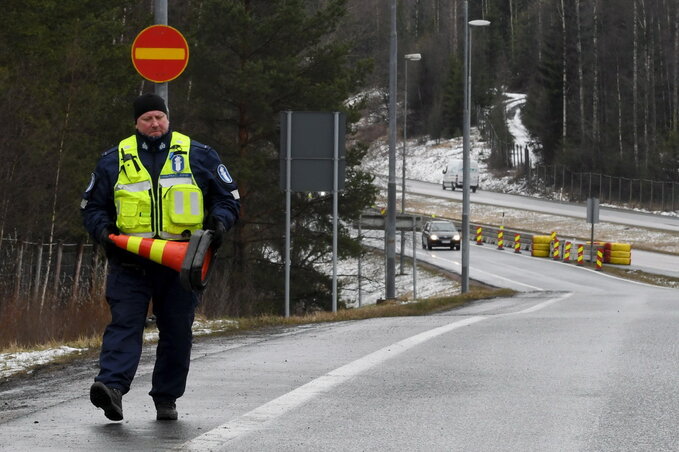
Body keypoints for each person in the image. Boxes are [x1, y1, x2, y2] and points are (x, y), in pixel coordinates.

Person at [81, 93, 240, 422]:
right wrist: (103, 232)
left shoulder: (199, 155)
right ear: (136, 124)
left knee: (177, 331)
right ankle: (110, 388)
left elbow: (228, 198)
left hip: (182, 264)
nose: (155, 124)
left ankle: (166, 397)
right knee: (125, 324)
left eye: (159, 117)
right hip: (130, 263)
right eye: (147, 119)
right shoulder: (114, 160)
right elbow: (92, 207)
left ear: (168, 119)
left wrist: (219, 223)